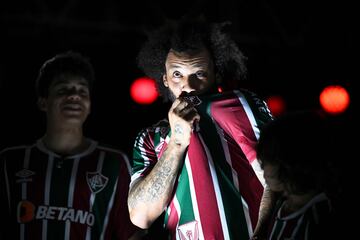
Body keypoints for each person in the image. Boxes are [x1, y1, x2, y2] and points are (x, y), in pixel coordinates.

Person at [127, 16, 274, 239]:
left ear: (217, 73)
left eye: (199, 74)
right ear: (164, 78)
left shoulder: (237, 105)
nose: (188, 85)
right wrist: (177, 142)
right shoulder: (149, 138)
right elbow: (140, 216)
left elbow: (276, 179)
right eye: (177, 74)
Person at [0, 51, 141, 240]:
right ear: (43, 102)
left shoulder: (113, 162)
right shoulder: (11, 161)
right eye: (63, 90)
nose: (74, 96)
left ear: (90, 105)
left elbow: (131, 234)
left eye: (82, 90)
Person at [254, 110, 343, 239]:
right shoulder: (282, 205)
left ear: (289, 163)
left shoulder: (318, 219)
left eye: (267, 160)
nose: (262, 167)